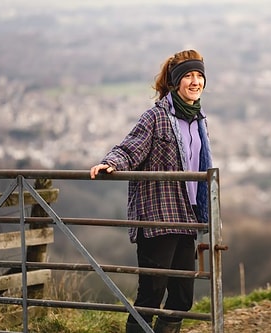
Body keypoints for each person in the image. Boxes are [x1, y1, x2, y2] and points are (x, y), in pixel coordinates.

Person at [90, 49, 212, 333]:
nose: (195, 82)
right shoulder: (155, 116)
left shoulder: (200, 120)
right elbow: (129, 148)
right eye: (188, 76)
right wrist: (110, 163)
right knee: (151, 294)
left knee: (182, 297)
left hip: (187, 217)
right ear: (175, 81)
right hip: (157, 216)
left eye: (199, 75)